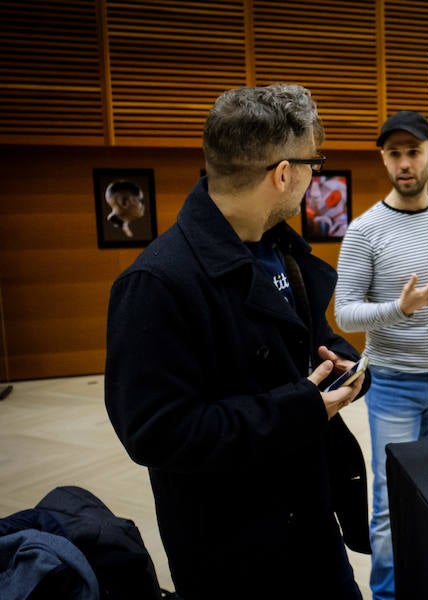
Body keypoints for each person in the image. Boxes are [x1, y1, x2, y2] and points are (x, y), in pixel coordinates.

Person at [104, 83, 371, 599]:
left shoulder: (279, 251)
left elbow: (306, 341)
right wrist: (301, 408)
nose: (314, 177)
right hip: (232, 550)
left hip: (311, 519)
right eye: (314, 163)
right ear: (283, 173)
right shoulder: (157, 283)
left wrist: (343, 363)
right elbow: (157, 433)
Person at [333, 110, 428, 600]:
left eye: (413, 151)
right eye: (394, 153)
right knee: (387, 500)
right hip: (395, 382)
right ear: (383, 158)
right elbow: (345, 314)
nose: (405, 162)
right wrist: (398, 308)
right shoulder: (364, 230)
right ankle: (389, 594)